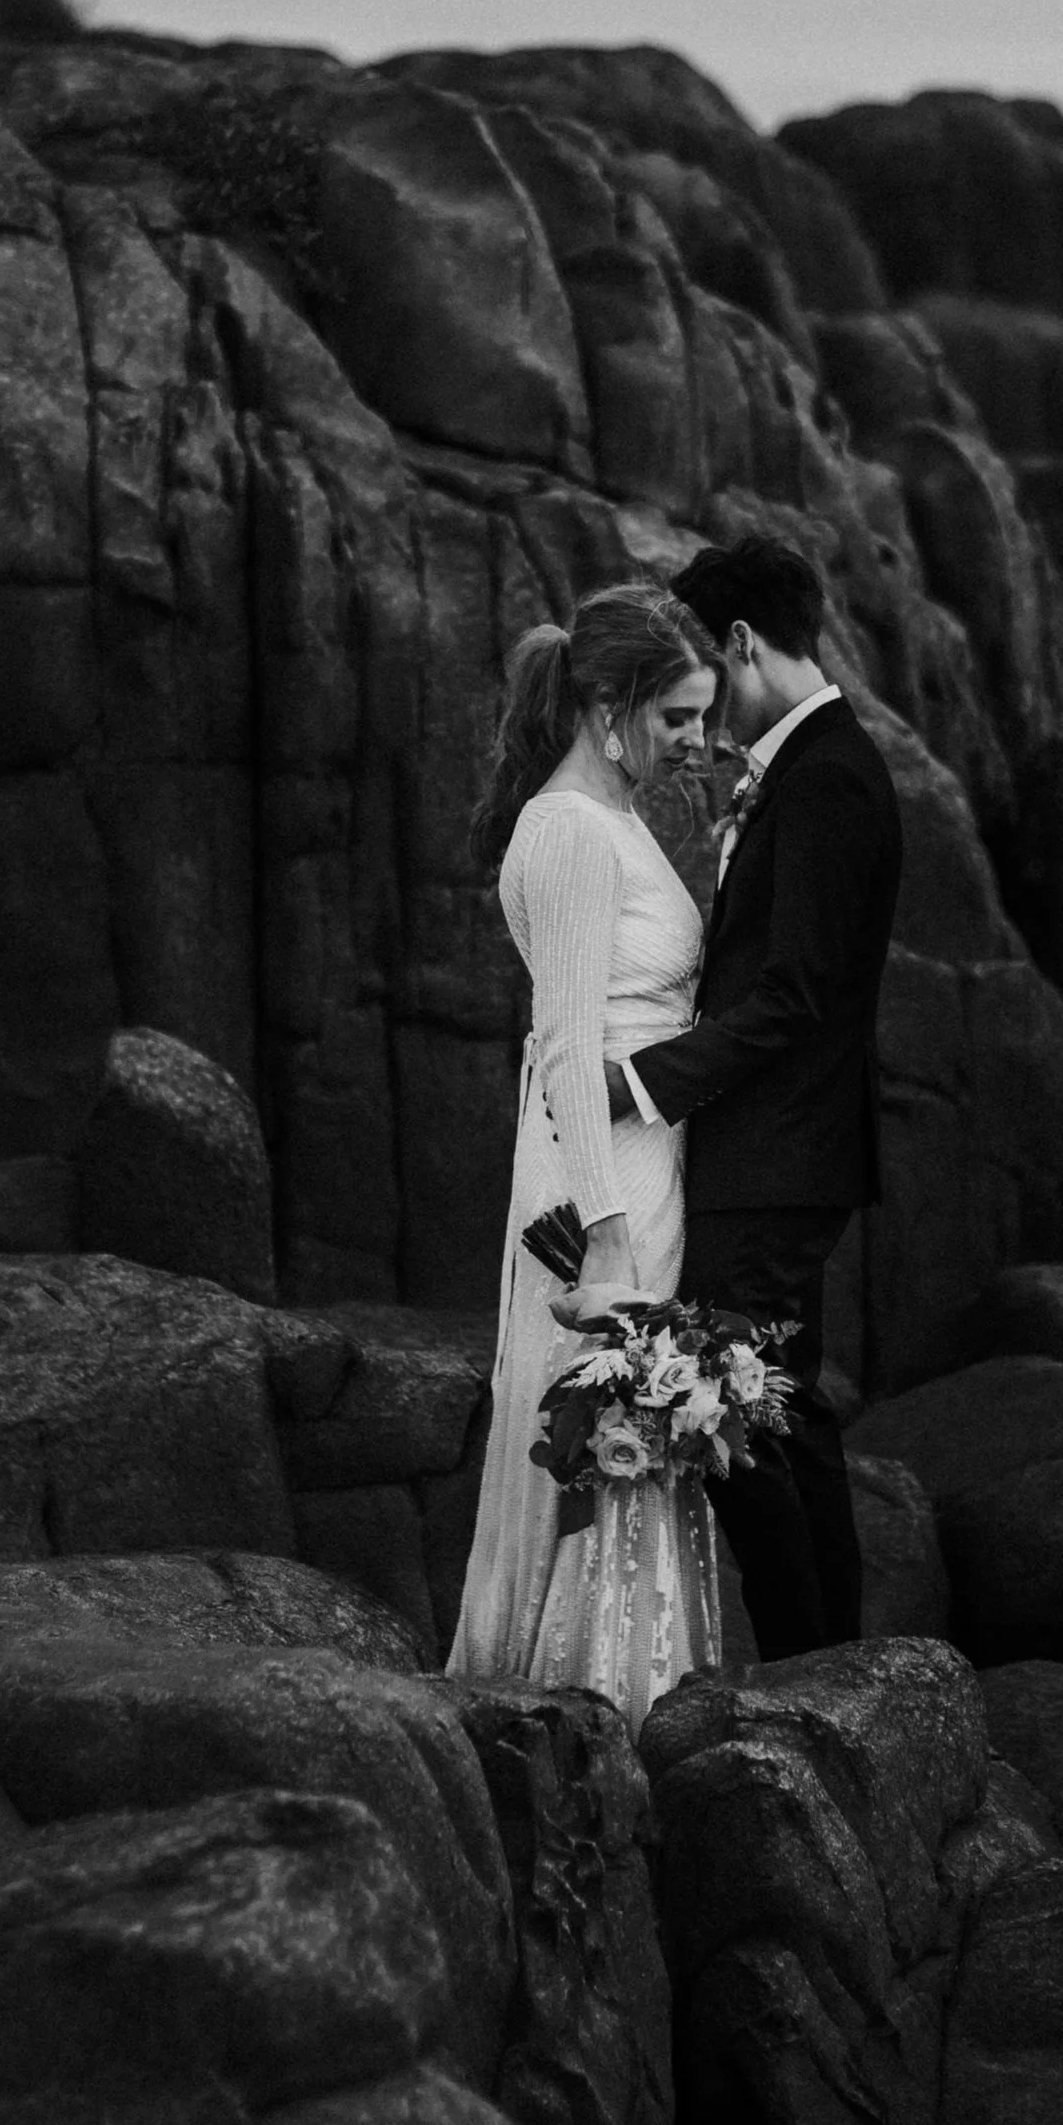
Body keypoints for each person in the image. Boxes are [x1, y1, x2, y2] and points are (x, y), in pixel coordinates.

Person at [610, 532, 903, 1659]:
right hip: (781, 1151)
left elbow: (794, 996)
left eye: (704, 671)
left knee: (726, 1416)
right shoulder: (813, 765)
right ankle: (832, 1661)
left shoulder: (826, 775)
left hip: (780, 1156)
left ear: (739, 641)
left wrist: (643, 1080)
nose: (700, 705)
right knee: (786, 1417)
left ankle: (801, 1662)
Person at [444, 583, 720, 1729]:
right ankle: (589, 1694)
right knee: (605, 1425)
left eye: (701, 716)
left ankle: (634, 1679)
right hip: (597, 1182)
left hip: (645, 1159)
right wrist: (604, 1242)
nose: (695, 741)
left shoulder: (617, 822)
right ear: (609, 708)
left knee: (637, 1435)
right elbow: (565, 1045)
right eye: (675, 719)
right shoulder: (564, 832)